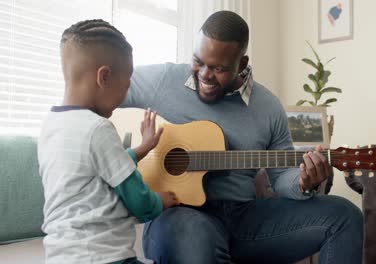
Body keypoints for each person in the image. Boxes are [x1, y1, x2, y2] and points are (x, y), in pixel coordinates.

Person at [122, 11, 363, 264]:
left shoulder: (268, 107)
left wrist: (304, 181)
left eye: (218, 68)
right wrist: (113, 152)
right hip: (177, 214)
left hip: (243, 218)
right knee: (196, 237)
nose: (204, 74)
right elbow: (102, 88)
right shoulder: (164, 80)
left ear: (242, 63)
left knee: (345, 215)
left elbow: (281, 177)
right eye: (198, 61)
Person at [38, 19, 179, 264]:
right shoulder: (98, 128)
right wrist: (161, 201)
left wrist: (142, 148)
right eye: (126, 85)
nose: (125, 94)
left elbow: (96, 167)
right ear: (104, 77)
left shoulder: (51, 125)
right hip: (104, 257)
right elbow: (140, 202)